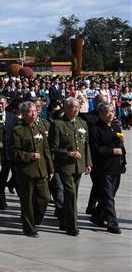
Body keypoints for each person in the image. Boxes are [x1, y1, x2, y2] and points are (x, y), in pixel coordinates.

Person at [48, 97, 92, 235]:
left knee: (73, 195)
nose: (76, 109)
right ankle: (72, 226)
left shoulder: (82, 123)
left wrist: (88, 162)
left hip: (78, 165)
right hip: (65, 166)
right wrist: (69, 153)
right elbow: (53, 148)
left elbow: (86, 145)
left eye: (78, 107)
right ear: (66, 108)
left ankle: (64, 219)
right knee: (71, 193)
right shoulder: (58, 124)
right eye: (73, 107)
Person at [12, 101, 54, 237]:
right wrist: (29, 156)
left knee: (45, 197)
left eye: (35, 111)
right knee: (27, 200)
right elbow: (14, 152)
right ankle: (28, 227)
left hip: (41, 169)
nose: (34, 113)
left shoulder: (39, 128)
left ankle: (34, 220)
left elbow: (46, 150)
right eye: (30, 111)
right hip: (26, 170)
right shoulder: (17, 130)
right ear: (23, 113)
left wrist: (50, 168)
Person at [88, 102, 126, 234]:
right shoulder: (95, 128)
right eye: (108, 112)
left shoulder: (116, 127)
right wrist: (111, 151)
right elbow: (95, 149)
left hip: (116, 167)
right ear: (101, 113)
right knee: (108, 196)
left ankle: (97, 216)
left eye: (113, 111)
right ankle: (112, 223)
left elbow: (121, 147)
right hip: (103, 168)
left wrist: (123, 161)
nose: (111, 114)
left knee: (109, 195)